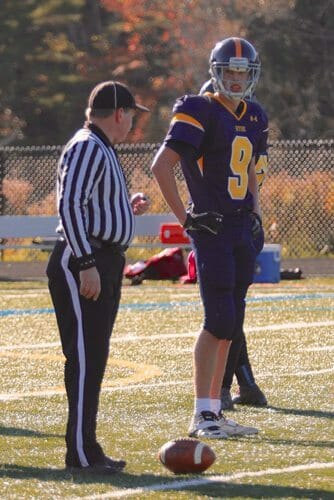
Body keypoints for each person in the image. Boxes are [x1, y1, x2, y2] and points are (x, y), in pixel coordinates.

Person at [151, 37, 268, 439]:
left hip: (239, 227)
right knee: (217, 320)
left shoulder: (254, 115)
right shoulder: (198, 108)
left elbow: (251, 167)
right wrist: (187, 218)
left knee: (232, 323)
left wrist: (255, 214)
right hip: (212, 227)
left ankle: (216, 409)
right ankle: (202, 413)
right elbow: (161, 166)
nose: (236, 79)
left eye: (243, 72)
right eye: (230, 71)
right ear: (216, 72)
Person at [47, 80, 150, 473]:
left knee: (95, 356)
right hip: (83, 258)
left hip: (99, 257)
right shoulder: (89, 145)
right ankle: (80, 453)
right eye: (131, 116)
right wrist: (87, 263)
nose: (132, 125)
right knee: (85, 358)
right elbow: (69, 204)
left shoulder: (99, 146)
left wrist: (124, 207)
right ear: (120, 113)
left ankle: (87, 447)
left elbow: (88, 203)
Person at [198, 78, 268, 410]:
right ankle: (245, 383)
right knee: (231, 309)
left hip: (231, 220)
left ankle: (222, 389)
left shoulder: (240, 125)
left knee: (226, 311)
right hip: (243, 216)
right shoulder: (253, 122)